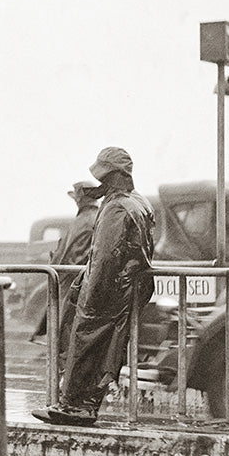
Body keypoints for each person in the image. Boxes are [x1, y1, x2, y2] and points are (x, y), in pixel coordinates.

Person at [34, 146, 154, 426]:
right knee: (106, 352)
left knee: (84, 343)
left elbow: (103, 257)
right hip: (127, 289)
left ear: (112, 176)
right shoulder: (140, 202)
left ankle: (71, 407)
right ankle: (86, 405)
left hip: (106, 290)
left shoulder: (115, 207)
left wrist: (87, 294)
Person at [30, 179, 106, 354]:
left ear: (80, 197)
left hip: (73, 283)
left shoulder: (86, 220)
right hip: (74, 282)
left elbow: (73, 256)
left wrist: (58, 267)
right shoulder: (91, 218)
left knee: (68, 336)